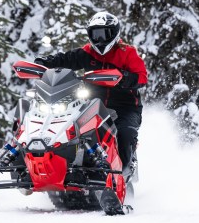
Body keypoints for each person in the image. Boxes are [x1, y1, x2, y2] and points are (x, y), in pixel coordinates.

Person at [34, 11, 147, 177]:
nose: (99, 40)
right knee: (68, 125)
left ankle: (123, 171)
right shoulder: (87, 52)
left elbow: (142, 77)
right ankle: (60, 165)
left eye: (104, 34)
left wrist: (125, 78)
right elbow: (66, 59)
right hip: (92, 105)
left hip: (125, 107)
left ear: (114, 33)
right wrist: (45, 64)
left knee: (125, 132)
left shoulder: (127, 52)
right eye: (96, 34)